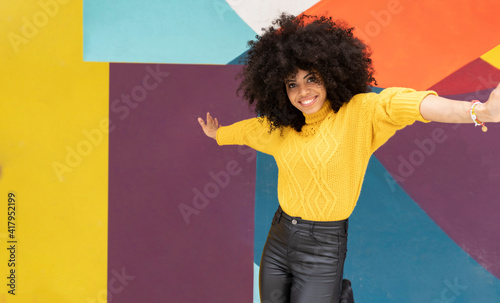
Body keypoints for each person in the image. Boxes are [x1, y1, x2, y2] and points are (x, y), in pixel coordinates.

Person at [197, 14, 500, 303]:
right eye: (292, 84)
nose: (303, 91)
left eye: (312, 78)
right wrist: (218, 134)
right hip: (278, 240)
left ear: (330, 74)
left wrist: (478, 111)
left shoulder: (360, 113)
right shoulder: (283, 130)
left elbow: (409, 104)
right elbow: (250, 131)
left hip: (323, 248)